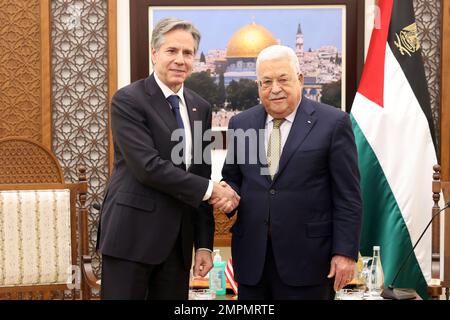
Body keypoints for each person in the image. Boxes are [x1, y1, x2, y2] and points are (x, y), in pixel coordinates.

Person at [97, 17, 239, 300]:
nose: (180, 60)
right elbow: (147, 167)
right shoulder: (128, 100)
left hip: (177, 246)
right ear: (154, 53)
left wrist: (204, 245)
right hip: (131, 238)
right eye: (171, 51)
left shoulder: (200, 106)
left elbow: (200, 172)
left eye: (187, 53)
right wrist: (213, 191)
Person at [217, 45, 362, 300]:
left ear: (300, 79)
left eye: (283, 79)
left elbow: (348, 196)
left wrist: (345, 253)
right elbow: (233, 178)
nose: (275, 89)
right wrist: (228, 193)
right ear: (258, 86)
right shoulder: (241, 123)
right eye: (266, 82)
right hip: (253, 262)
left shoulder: (334, 123)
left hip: (310, 262)